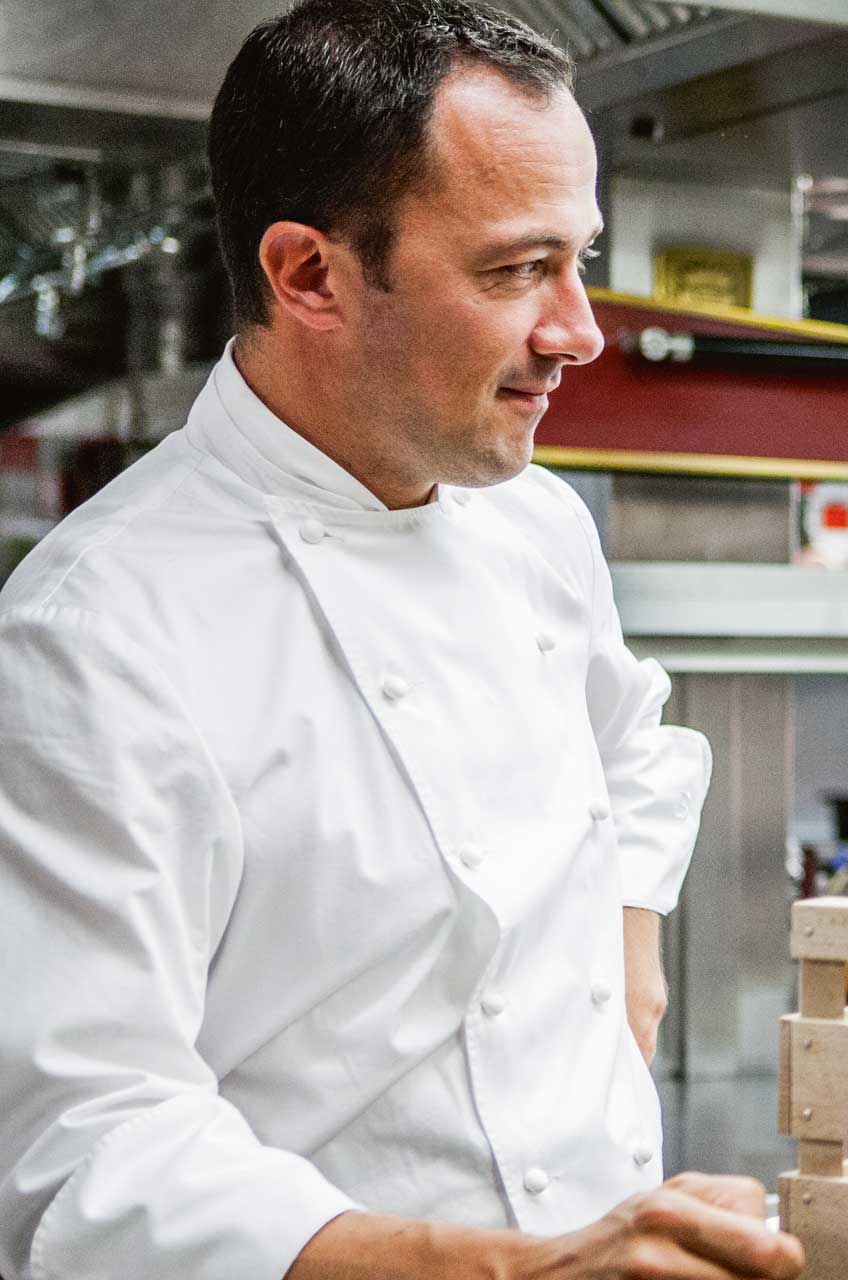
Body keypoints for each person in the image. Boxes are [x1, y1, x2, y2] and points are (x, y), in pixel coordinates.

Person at [0, 3, 804, 1278]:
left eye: (579, 258)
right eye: (513, 271)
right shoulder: (91, 633)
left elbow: (634, 747)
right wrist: (517, 1265)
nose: (581, 330)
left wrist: (626, 958)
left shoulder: (535, 526)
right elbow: (83, 1145)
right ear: (308, 274)